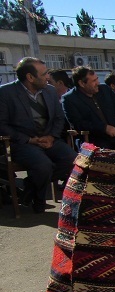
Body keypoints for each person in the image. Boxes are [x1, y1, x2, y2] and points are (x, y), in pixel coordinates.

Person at [0, 57, 77, 213]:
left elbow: (58, 117)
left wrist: (52, 137)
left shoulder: (49, 91)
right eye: (44, 73)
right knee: (43, 166)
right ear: (30, 77)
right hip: (23, 143)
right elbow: (2, 125)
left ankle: (30, 186)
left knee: (75, 161)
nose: (48, 77)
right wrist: (29, 140)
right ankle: (39, 200)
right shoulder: (5, 93)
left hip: (49, 140)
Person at [62, 66, 115, 152]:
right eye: (94, 81)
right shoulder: (69, 99)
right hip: (93, 139)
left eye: (97, 79)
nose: (98, 83)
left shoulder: (104, 89)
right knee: (106, 157)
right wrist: (104, 128)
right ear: (82, 83)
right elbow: (78, 124)